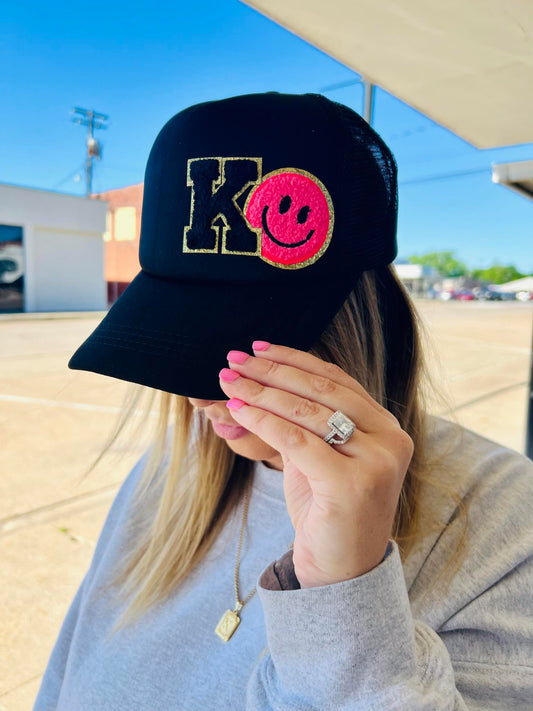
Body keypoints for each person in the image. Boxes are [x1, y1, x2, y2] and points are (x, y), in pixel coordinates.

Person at [33, 92, 532, 710]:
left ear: (360, 322)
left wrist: (343, 592)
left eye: (232, 348)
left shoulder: (505, 516)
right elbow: (63, 680)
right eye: (170, 340)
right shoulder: (167, 473)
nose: (194, 392)